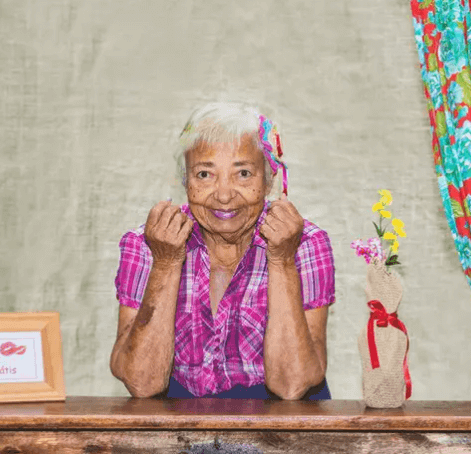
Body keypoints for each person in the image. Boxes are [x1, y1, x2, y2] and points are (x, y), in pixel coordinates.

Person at [110, 102, 335, 399]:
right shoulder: (147, 243)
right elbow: (142, 383)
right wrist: (165, 263)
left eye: (243, 173)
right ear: (185, 181)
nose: (225, 195)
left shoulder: (305, 243)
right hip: (180, 427)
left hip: (281, 428)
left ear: (268, 181)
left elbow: (292, 385)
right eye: (205, 174)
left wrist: (281, 261)